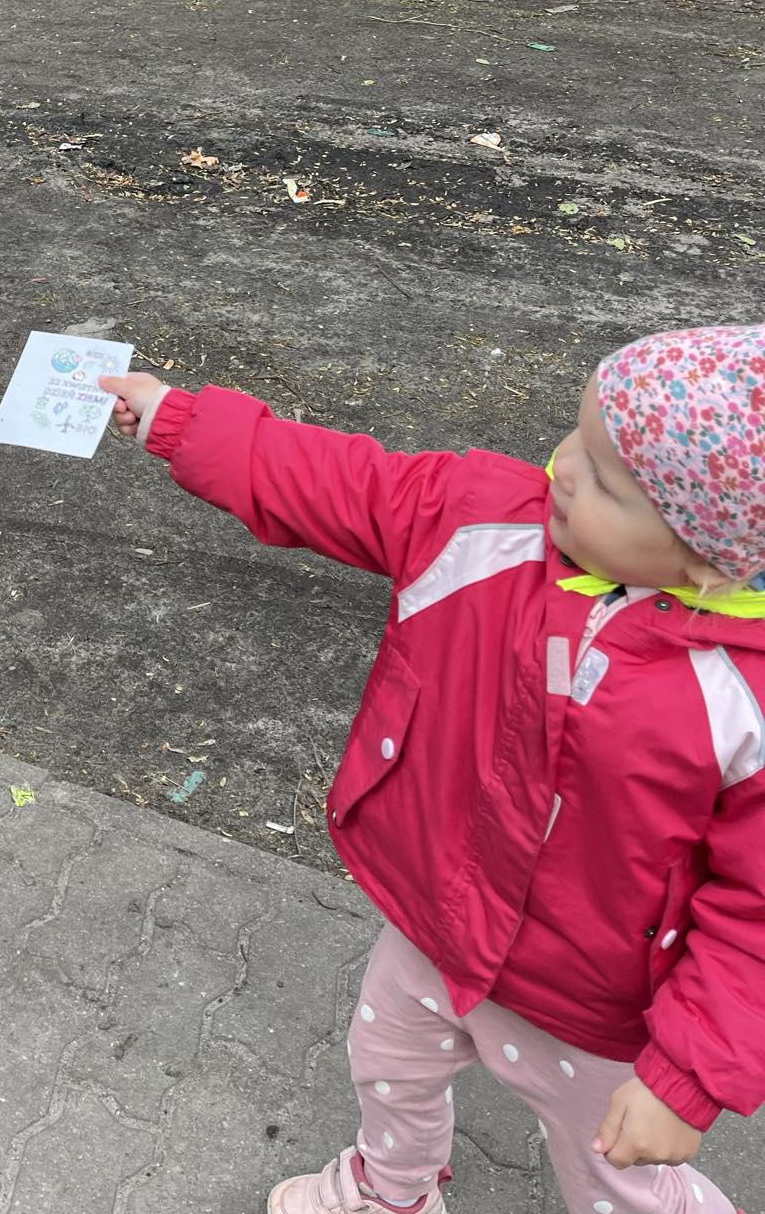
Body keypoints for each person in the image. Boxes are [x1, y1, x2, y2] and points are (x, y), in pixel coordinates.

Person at [101, 325, 765, 1214]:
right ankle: (392, 1192)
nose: (565, 468)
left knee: (614, 1173)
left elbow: (757, 917)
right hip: (435, 919)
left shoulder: (743, 698)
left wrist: (686, 1079)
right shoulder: (485, 521)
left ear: (709, 556)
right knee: (386, 1066)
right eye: (578, 434)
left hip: (594, 1006)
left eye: (608, 482)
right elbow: (342, 481)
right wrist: (178, 421)